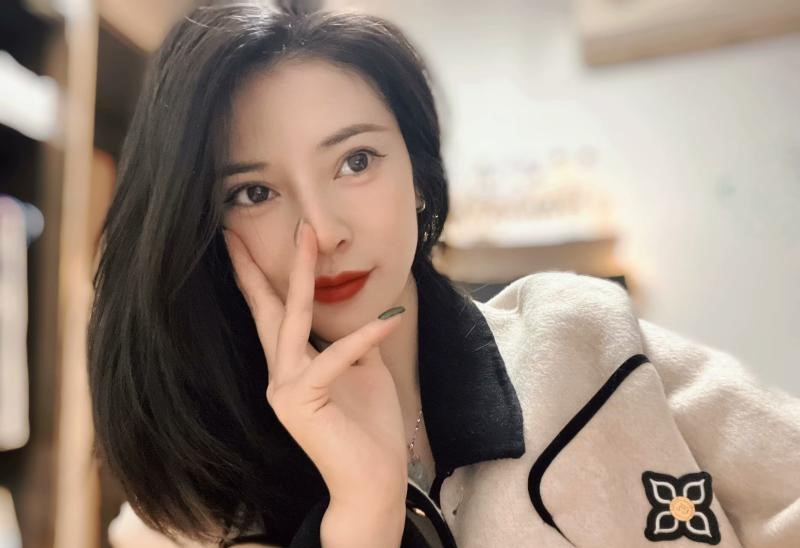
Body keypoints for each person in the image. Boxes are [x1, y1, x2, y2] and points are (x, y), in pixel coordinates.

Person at [88, 2, 800, 548]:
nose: (323, 232)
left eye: (356, 161)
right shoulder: (183, 514)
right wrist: (364, 514)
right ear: (205, 225)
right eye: (254, 192)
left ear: (420, 179)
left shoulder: (584, 343)